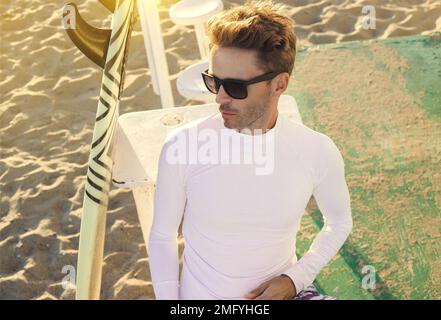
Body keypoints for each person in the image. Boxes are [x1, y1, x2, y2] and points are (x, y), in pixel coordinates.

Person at [147, 0, 352, 300]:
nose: (220, 98)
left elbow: (339, 221)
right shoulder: (183, 146)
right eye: (214, 81)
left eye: (236, 87)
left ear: (279, 84)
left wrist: (295, 279)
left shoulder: (316, 151)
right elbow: (163, 236)